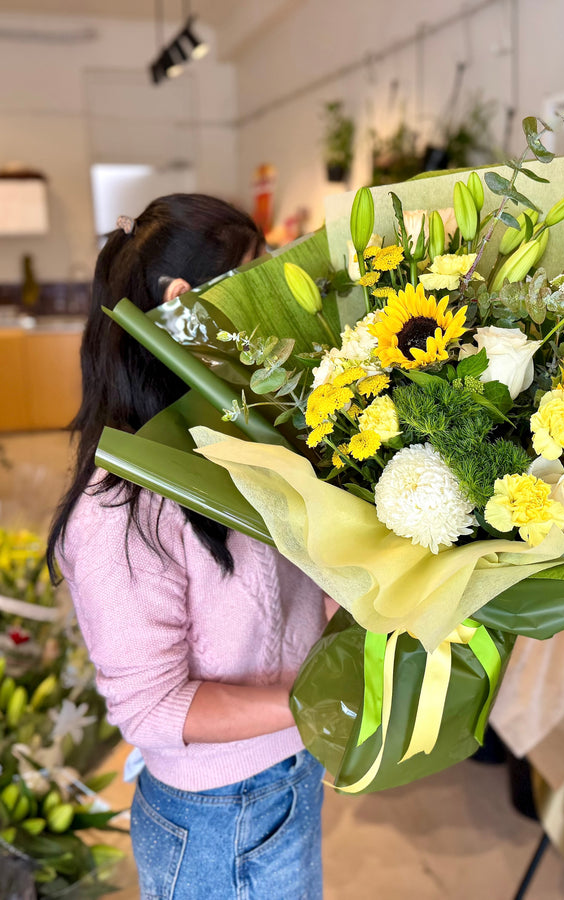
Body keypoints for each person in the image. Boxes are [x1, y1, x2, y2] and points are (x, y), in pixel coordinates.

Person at [47, 194, 328, 900]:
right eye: (260, 276)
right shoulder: (120, 507)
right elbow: (151, 707)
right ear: (185, 303)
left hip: (286, 776)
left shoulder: (242, 435)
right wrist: (324, 700)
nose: (281, 295)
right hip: (219, 817)